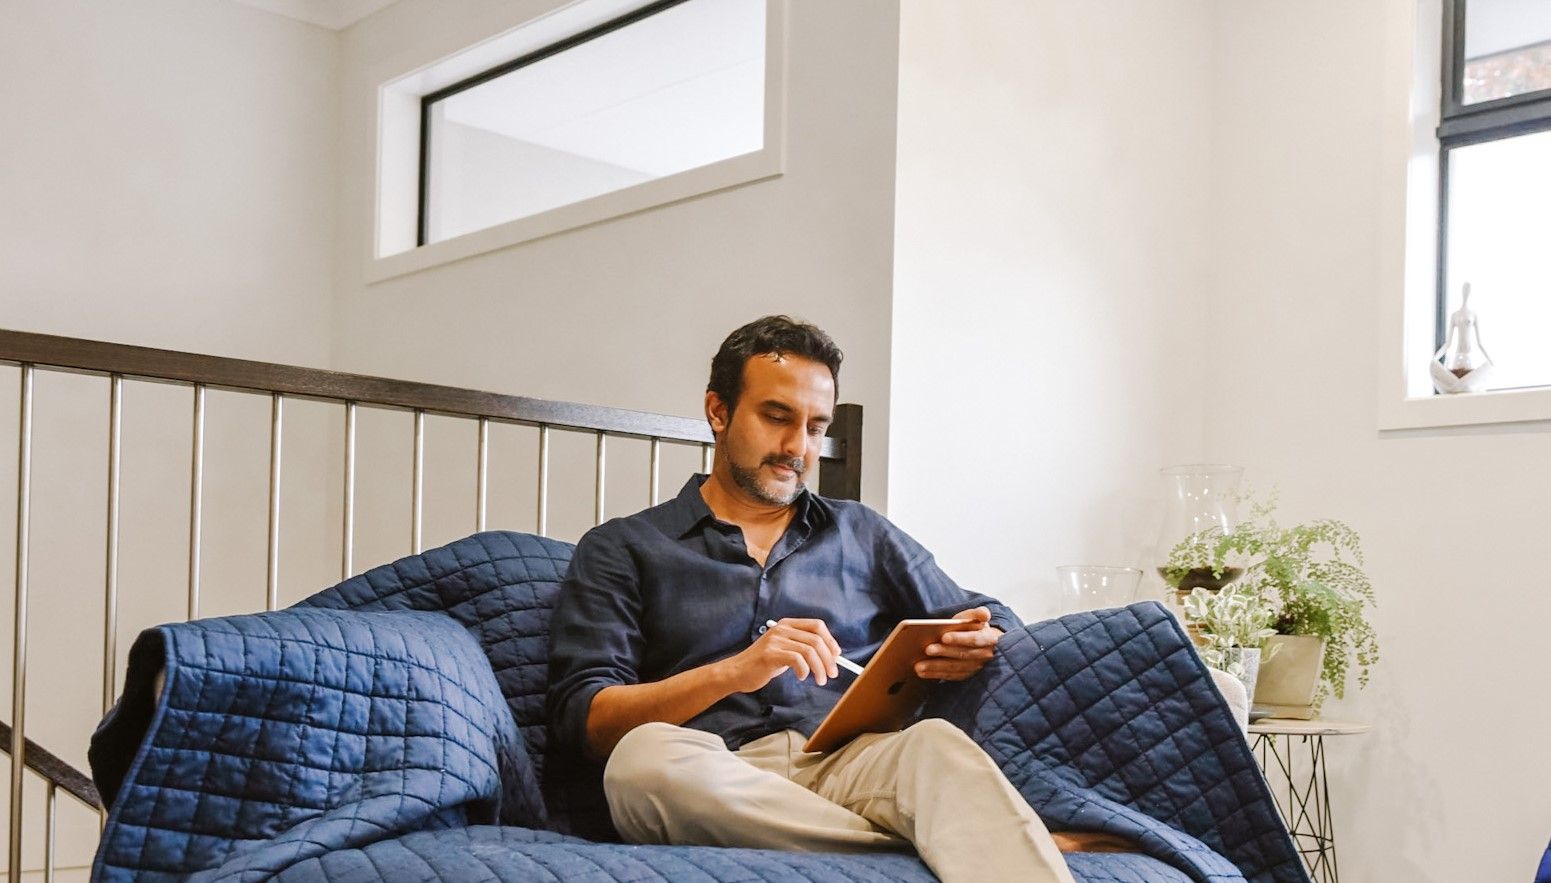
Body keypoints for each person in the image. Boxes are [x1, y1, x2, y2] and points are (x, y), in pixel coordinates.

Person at [546, 316, 1077, 883]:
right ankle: (938, 849)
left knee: (934, 746)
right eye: (776, 417)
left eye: (815, 426)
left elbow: (984, 615)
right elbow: (589, 722)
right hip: (715, 769)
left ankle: (949, 841)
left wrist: (980, 637)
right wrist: (735, 672)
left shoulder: (863, 533)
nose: (797, 447)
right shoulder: (624, 546)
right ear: (718, 412)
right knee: (641, 761)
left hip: (850, 763)